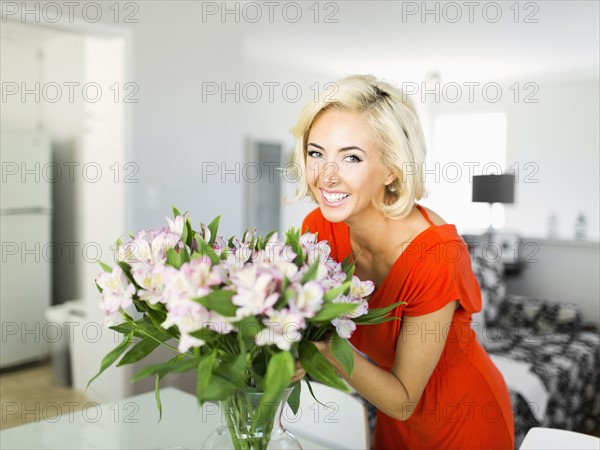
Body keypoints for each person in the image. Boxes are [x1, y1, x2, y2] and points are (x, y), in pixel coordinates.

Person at [289, 75, 515, 449]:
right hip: (389, 411)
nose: (326, 176)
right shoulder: (319, 231)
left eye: (351, 157)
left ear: (392, 168)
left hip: (463, 419)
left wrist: (325, 349)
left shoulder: (436, 256)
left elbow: (404, 399)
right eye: (316, 153)